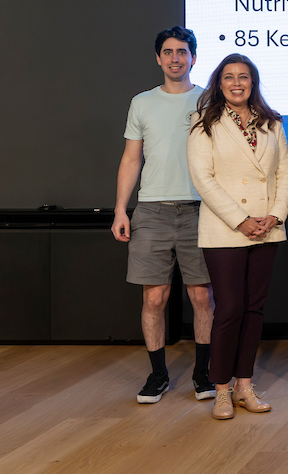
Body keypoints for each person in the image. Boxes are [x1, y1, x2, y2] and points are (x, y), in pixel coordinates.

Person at [112, 27, 215, 404]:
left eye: (182, 52)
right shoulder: (142, 102)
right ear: (159, 58)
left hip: (201, 210)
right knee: (154, 298)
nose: (175, 58)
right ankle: (158, 375)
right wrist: (122, 209)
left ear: (193, 57)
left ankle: (204, 374)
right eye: (168, 52)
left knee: (202, 296)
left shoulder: (210, 100)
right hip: (152, 210)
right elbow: (131, 158)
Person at [187, 54, 288, 420]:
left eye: (243, 77)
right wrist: (241, 219)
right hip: (224, 230)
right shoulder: (204, 123)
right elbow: (204, 178)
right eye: (229, 77)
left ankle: (244, 385)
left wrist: (275, 215)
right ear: (219, 83)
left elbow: (285, 173)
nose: (237, 83)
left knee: (254, 309)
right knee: (229, 309)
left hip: (267, 227)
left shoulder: (272, 122)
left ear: (253, 82)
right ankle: (220, 389)